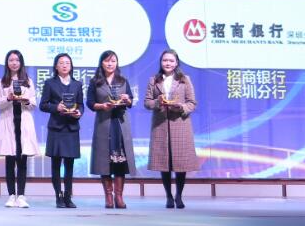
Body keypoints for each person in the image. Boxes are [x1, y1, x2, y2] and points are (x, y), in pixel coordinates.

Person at [144, 49, 201, 209]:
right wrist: (157, 102)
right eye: (165, 60)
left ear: (176, 63)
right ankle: (168, 196)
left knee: (181, 162)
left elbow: (192, 103)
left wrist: (181, 107)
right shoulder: (154, 80)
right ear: (161, 62)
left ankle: (179, 196)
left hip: (180, 124)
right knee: (164, 162)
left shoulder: (184, 79)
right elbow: (147, 102)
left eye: (171, 61)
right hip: (160, 125)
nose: (167, 63)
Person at [86, 50, 135, 209]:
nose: (110, 64)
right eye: (107, 61)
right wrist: (102, 106)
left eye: (113, 61)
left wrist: (127, 99)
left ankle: (119, 197)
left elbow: (130, 101)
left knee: (120, 161)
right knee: (104, 161)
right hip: (104, 123)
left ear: (117, 63)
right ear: (101, 63)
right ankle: (108, 196)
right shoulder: (95, 82)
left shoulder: (123, 80)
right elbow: (90, 103)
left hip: (120, 123)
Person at [0, 50, 41, 208]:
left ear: (21, 62)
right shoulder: (2, 82)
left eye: (17, 60)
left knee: (22, 161)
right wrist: (8, 98)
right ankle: (11, 195)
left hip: (23, 122)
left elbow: (33, 104)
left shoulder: (28, 81)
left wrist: (25, 101)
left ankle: (21, 195)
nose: (14, 63)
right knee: (9, 161)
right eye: (11, 60)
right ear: (7, 63)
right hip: (8, 122)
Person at [39, 52, 84, 209]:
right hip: (56, 128)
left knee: (69, 165)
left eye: (67, 63)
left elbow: (81, 104)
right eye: (61, 63)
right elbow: (43, 105)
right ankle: (58, 196)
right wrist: (56, 107)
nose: (65, 65)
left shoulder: (77, 84)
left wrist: (79, 112)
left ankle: (68, 196)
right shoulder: (50, 83)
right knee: (56, 164)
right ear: (56, 66)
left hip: (72, 128)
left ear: (71, 66)